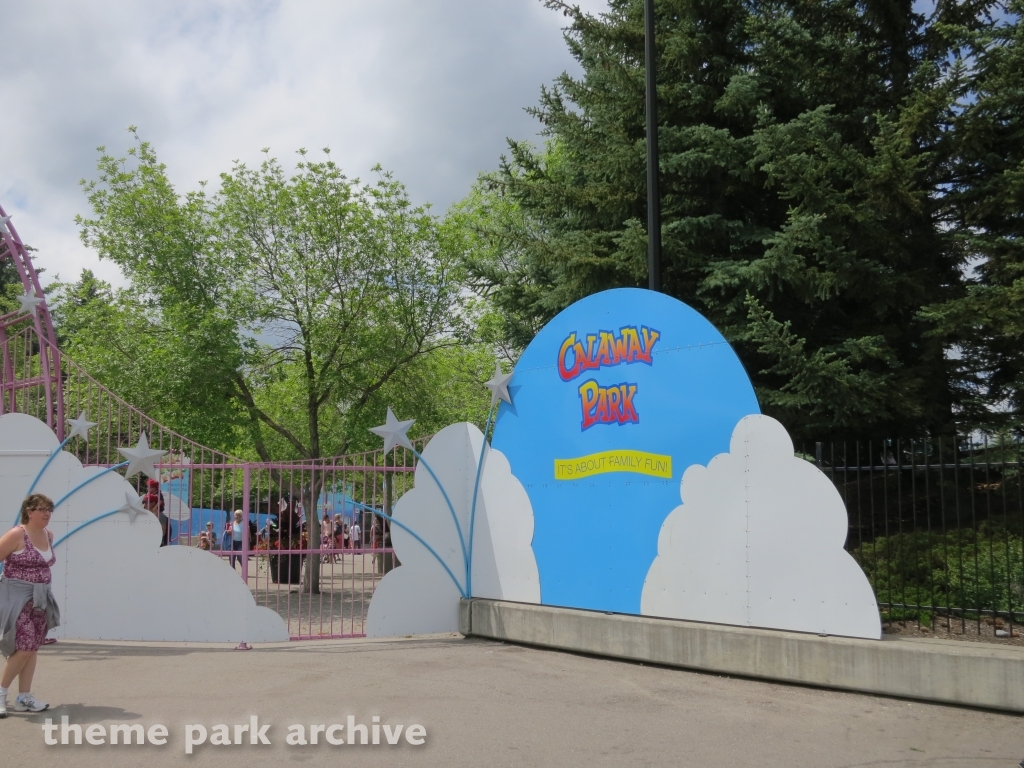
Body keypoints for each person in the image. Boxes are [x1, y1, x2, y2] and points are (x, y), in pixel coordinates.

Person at [0, 494, 60, 716]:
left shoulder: (48, 535)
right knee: (24, 646)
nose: (47, 514)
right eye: (42, 509)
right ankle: (1, 692)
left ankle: (24, 697)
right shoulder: (17, 534)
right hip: (17, 599)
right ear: (29, 511)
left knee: (32, 646)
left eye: (49, 510)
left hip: (40, 599)